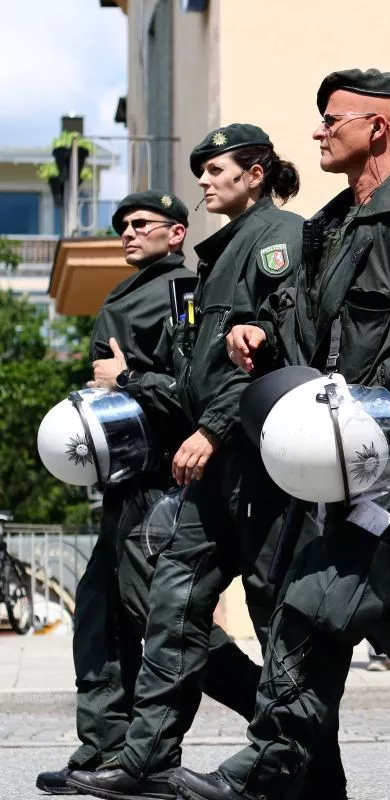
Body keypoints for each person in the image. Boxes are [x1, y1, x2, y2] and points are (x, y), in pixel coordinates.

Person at [170, 68, 390, 800]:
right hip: (342, 454)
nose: (317, 131)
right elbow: (312, 332)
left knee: (314, 597)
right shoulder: (332, 223)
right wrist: (259, 336)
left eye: (331, 119)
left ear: (376, 127)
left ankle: (272, 762)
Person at [67, 125, 317, 800]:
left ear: (255, 173)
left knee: (274, 613)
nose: (203, 180)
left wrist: (208, 425)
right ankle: (144, 758)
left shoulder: (279, 238)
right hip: (211, 463)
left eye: (215, 168)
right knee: (172, 605)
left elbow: (264, 354)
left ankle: (291, 759)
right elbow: (199, 369)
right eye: (200, 169)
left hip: (254, 456)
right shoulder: (221, 254)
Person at [35, 191, 235, 795]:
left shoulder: (184, 293)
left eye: (141, 223)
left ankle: (278, 716)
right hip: (123, 487)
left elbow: (195, 394)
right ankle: (103, 749)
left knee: (169, 624)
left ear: (176, 234)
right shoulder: (127, 293)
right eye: (122, 224)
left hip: (163, 489)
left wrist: (124, 377)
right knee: (99, 617)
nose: (127, 231)